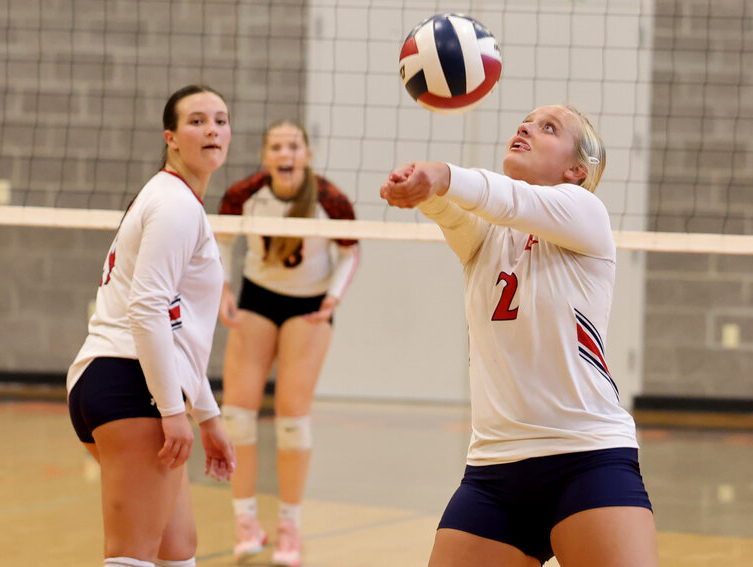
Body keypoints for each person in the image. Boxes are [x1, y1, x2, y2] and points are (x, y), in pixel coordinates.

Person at [380, 104, 659, 567]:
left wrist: (442, 174)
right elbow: (457, 216)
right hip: (494, 471)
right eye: (525, 121)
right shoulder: (487, 236)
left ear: (575, 169)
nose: (526, 127)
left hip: (586, 457)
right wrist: (423, 190)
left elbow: (505, 198)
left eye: (548, 128)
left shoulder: (584, 210)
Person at [67, 84, 237, 567]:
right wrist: (171, 409)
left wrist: (208, 415)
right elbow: (146, 309)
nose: (212, 129)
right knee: (133, 557)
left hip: (113, 379)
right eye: (197, 120)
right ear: (171, 138)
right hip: (130, 382)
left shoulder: (174, 200)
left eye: (221, 120)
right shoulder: (175, 205)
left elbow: (175, 326)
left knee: (177, 549)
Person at [216, 120, 359, 566]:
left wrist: (333, 297)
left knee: (293, 420)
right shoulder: (244, 194)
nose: (285, 154)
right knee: (237, 416)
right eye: (276, 146)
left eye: (293, 146)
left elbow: (349, 251)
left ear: (307, 154)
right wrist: (223, 288)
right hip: (258, 298)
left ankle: (289, 528)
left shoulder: (330, 199)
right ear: (266, 156)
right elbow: (219, 239)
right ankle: (246, 524)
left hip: (310, 305)